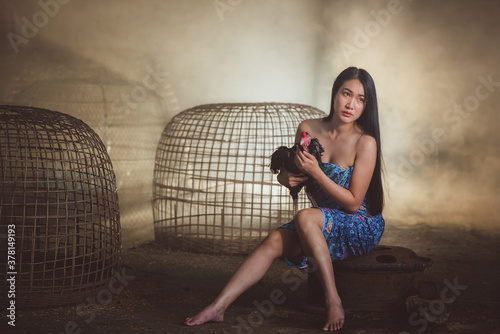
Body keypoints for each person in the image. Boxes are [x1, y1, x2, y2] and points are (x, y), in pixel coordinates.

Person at [185, 66, 385, 331]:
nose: (351, 104)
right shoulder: (308, 128)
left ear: (366, 106)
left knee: (305, 216)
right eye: (346, 94)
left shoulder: (365, 142)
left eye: (361, 99)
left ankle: (332, 300)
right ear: (335, 93)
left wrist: (317, 171)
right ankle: (218, 307)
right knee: (274, 240)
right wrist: (285, 178)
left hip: (360, 223)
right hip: (319, 223)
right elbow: (294, 174)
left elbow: (352, 203)